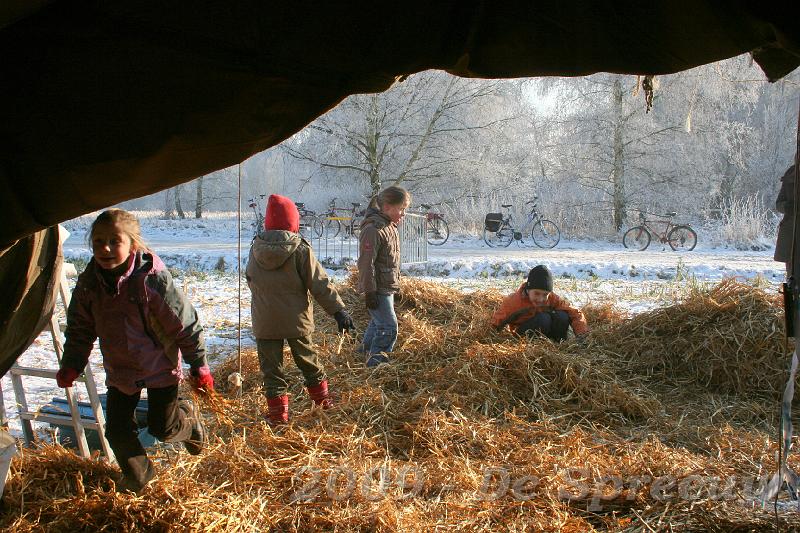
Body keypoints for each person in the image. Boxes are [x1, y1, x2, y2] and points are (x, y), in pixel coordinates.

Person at [56, 209, 213, 494]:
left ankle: (188, 422)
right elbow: (79, 328)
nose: (104, 248)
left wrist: (198, 365)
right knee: (116, 431)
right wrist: (72, 363)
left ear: (133, 245)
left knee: (162, 429)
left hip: (159, 366)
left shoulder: (151, 280)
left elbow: (184, 323)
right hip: (121, 369)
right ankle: (139, 475)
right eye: (98, 241)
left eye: (114, 241)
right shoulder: (90, 283)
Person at [247, 194, 354, 426]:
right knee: (308, 361)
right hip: (297, 319)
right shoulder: (300, 249)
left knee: (271, 370)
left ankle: (278, 417)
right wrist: (339, 311)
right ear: (293, 222)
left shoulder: (255, 248)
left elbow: (250, 279)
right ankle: (323, 403)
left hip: (265, 320)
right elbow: (319, 284)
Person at [357, 185, 411, 367]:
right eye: (401, 209)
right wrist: (369, 291)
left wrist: (395, 287)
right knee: (388, 327)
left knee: (378, 323)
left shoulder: (389, 226)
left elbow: (389, 262)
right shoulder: (373, 229)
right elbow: (366, 263)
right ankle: (376, 363)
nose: (403, 214)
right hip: (376, 288)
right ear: (387, 206)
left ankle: (363, 353)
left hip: (385, 287)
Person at [492, 265, 588, 342]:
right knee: (543, 319)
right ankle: (534, 346)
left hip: (546, 334)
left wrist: (582, 334)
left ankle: (559, 344)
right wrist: (491, 337)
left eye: (545, 294)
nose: (541, 298)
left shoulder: (552, 298)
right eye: (536, 293)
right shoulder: (514, 302)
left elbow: (575, 312)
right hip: (523, 336)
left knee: (562, 315)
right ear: (528, 289)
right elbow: (497, 322)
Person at [774, 163, 796, 270]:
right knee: (792, 275)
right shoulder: (791, 174)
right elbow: (779, 204)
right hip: (791, 233)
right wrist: (787, 207)